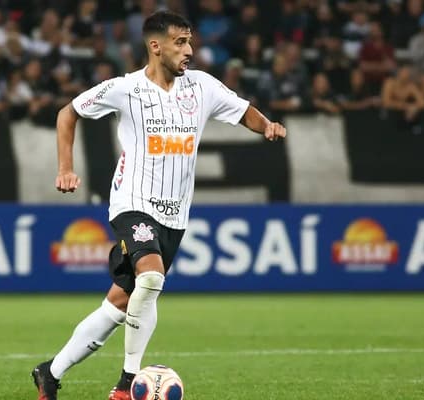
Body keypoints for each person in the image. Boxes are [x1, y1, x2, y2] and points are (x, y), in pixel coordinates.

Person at [31, 11, 286, 400]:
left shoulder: (202, 87)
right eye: (180, 42)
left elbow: (242, 110)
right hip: (132, 203)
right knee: (151, 279)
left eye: (189, 41)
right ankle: (125, 385)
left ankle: (50, 372)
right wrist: (65, 168)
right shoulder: (125, 89)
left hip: (175, 214)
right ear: (156, 46)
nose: (190, 50)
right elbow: (68, 113)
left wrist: (266, 124)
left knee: (120, 302)